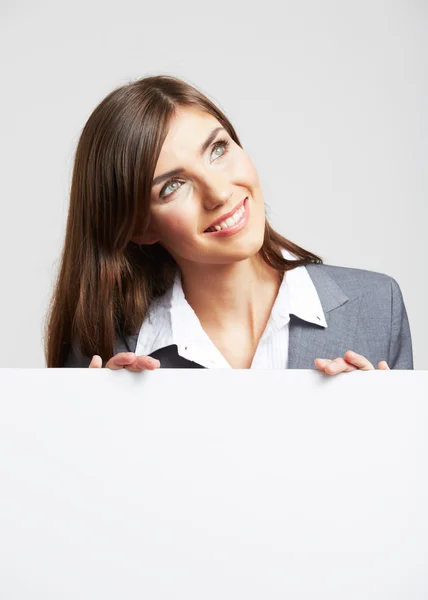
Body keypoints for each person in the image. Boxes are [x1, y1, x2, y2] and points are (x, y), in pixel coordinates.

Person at [44, 75, 413, 374]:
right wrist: (100, 432)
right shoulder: (107, 353)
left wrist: (373, 423)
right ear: (141, 228)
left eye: (217, 149)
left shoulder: (378, 309)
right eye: (173, 186)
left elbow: (400, 465)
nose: (219, 192)